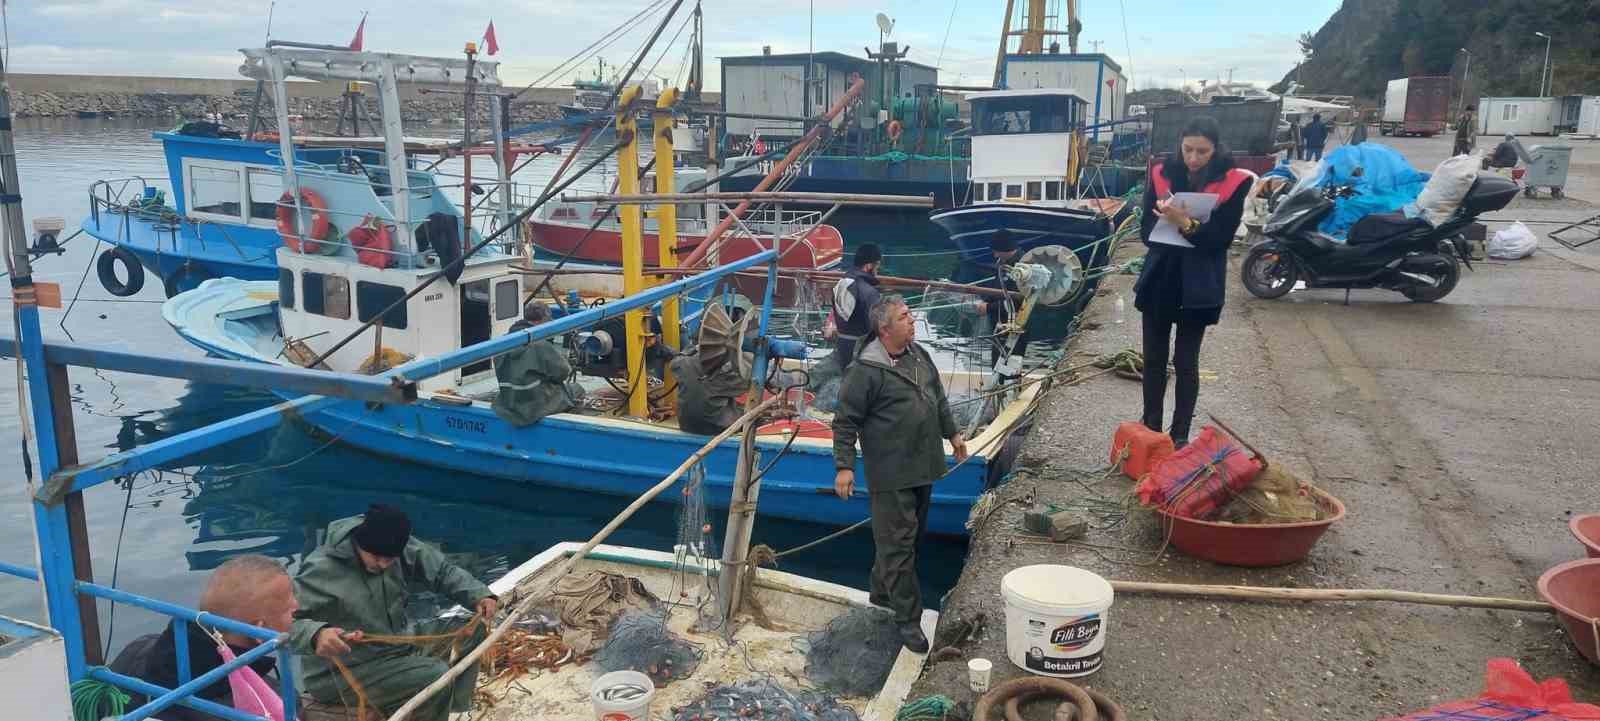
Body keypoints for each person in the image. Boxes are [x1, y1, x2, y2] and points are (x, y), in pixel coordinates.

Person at [831, 295, 969, 653]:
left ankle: (881, 592)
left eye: (910, 315)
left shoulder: (918, 355)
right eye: (905, 317)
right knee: (898, 548)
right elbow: (845, 420)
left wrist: (952, 433)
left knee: (907, 541)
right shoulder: (865, 370)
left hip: (923, 467)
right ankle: (908, 619)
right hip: (891, 473)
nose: (912, 321)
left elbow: (937, 396)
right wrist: (844, 466)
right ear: (884, 328)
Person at [290, 504, 499, 721]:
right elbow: (282, 623)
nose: (382, 564)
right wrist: (315, 634)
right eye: (376, 556)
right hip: (346, 671)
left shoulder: (398, 546)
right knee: (434, 675)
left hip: (396, 646)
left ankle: (450, 711)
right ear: (359, 543)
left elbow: (442, 572)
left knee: (473, 630)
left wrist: (479, 595)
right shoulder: (321, 569)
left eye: (389, 559)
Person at [1135, 116, 1254, 448]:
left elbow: (1220, 239)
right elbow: (1145, 231)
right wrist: (1164, 221)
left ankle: (1180, 435)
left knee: (1186, 361)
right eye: (1188, 149)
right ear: (1180, 145)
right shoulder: (1161, 174)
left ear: (1215, 150)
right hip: (1162, 276)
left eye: (1202, 151)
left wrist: (1184, 223)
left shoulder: (1235, 182)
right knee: (1154, 359)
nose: (1193, 158)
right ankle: (1151, 428)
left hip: (1199, 283)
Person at [108, 555, 298, 721]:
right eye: (289, 610)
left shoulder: (138, 648)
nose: (297, 608)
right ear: (259, 631)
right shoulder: (274, 701)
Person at [492, 302, 578, 427]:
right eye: (549, 321)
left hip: (509, 402)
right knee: (576, 389)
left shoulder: (502, 343)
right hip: (534, 405)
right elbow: (563, 373)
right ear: (543, 320)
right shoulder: (540, 345)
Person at [974, 230, 1028, 366]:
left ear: (1006, 249)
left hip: (1013, 327)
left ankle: (1006, 386)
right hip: (999, 327)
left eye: (997, 251)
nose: (995, 255)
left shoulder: (1021, 268)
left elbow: (1018, 301)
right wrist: (984, 299)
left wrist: (988, 307)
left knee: (1009, 365)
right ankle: (1000, 385)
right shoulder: (1003, 264)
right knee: (997, 362)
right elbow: (996, 287)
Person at [670, 344, 749, 435]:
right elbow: (751, 381)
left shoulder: (681, 362)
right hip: (716, 428)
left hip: (686, 424)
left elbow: (674, 363)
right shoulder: (725, 374)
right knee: (752, 414)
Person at [830, 243, 883, 370]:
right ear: (869, 266)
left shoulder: (841, 283)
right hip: (861, 354)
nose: (877, 270)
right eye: (877, 266)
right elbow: (876, 329)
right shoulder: (869, 292)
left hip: (842, 349)